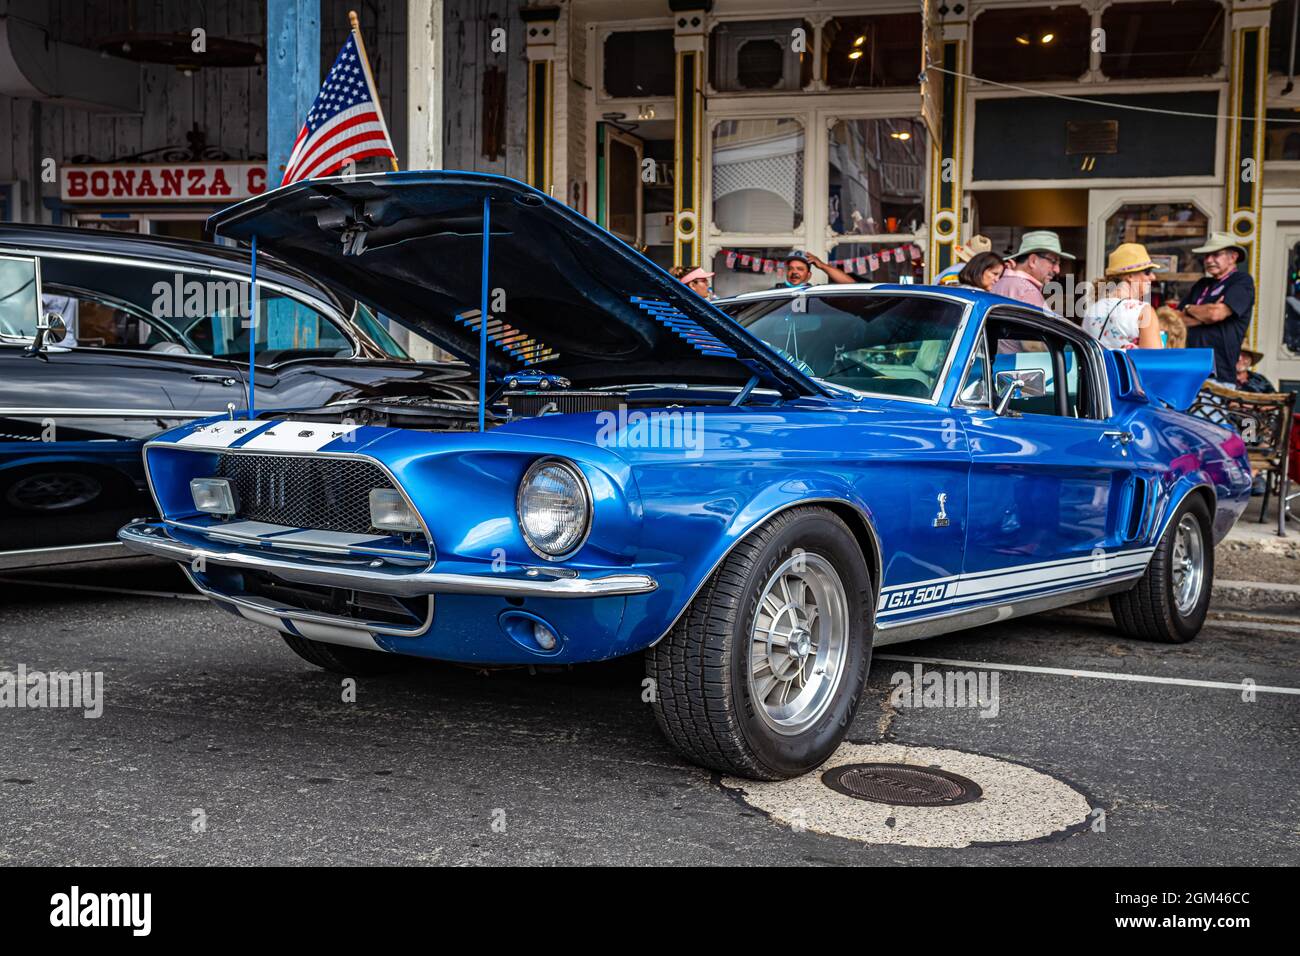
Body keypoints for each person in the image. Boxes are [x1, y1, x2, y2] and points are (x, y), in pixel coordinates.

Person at [1174, 232, 1256, 382]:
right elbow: (1175, 319)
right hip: (1188, 368)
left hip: (1218, 373)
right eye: (1206, 256)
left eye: (1216, 254)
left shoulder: (1242, 281)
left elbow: (1215, 314)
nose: (1209, 260)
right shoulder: (1202, 284)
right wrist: (1190, 309)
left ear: (1233, 257)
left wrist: (1195, 312)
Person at [1081, 243, 1164, 350]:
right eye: (1147, 272)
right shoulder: (1143, 312)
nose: (1153, 277)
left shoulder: (1092, 310)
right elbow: (1152, 361)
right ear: (1130, 276)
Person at [989, 230, 1073, 310]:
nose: (1057, 270)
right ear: (1033, 261)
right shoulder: (1028, 291)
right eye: (1053, 261)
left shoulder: (1000, 283)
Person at [776, 250, 855, 289]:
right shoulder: (775, 291)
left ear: (808, 275)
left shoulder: (815, 292)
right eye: (790, 268)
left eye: (800, 269)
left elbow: (852, 285)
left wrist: (822, 265)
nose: (794, 272)